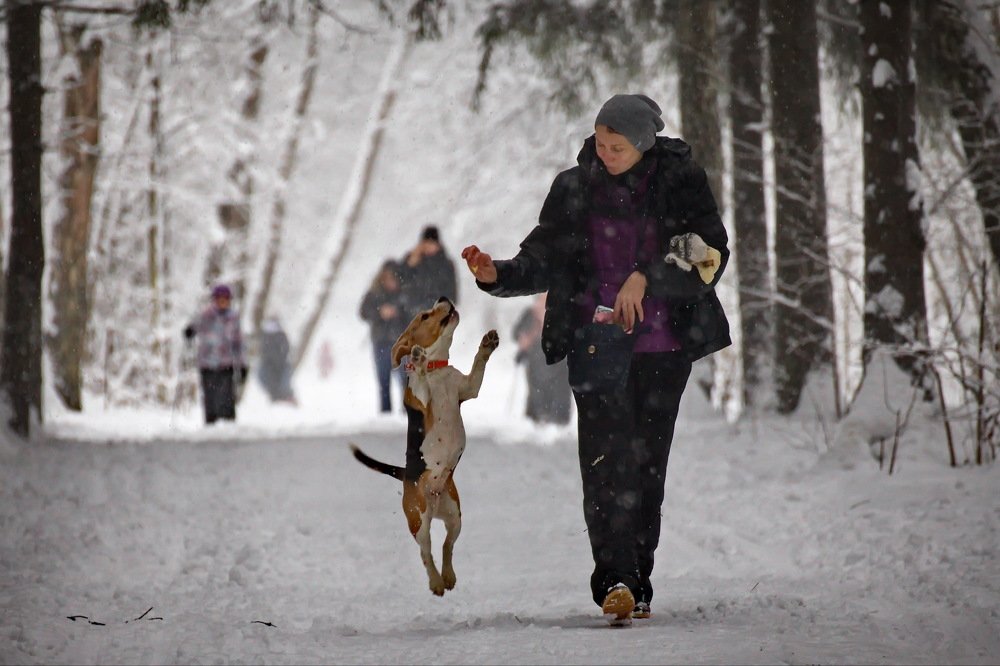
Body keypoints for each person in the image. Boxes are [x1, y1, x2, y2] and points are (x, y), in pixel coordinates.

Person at [460, 93, 731, 624]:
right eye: (601, 142)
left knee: (646, 468)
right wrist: (499, 274)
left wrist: (647, 275)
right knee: (605, 467)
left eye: (617, 146)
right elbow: (546, 254)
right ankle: (615, 582)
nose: (605, 152)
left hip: (662, 348)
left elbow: (709, 253)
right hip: (595, 345)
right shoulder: (574, 186)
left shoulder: (679, 180)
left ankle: (639, 580)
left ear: (644, 144)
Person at [183, 284, 249, 424]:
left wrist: (242, 364)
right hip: (207, 363)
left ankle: (228, 424)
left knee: (227, 396)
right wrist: (190, 331)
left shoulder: (233, 317)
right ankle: (211, 423)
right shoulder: (205, 315)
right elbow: (194, 326)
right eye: (220, 299)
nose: (223, 302)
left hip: (226, 363)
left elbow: (239, 342)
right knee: (210, 396)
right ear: (214, 299)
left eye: (226, 299)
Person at [513, 292, 571, 425]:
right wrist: (525, 337)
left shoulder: (563, 314)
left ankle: (557, 420)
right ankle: (537, 417)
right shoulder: (531, 314)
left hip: (558, 360)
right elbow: (517, 333)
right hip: (536, 359)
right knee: (537, 389)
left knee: (559, 390)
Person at [359, 259, 408, 413]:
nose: (390, 282)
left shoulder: (404, 294)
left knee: (405, 380)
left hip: (401, 343)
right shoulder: (374, 294)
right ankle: (385, 415)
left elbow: (413, 314)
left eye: (393, 278)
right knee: (384, 382)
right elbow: (363, 312)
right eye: (386, 278)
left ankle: (407, 412)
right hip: (381, 342)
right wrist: (380, 312)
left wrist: (398, 313)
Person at [398, 225, 458, 318]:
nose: (428, 247)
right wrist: (410, 264)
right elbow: (399, 280)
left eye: (431, 243)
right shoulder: (413, 260)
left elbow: (451, 294)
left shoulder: (446, 265)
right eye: (426, 244)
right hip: (411, 316)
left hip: (436, 316)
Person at [257, 316, 297, 404]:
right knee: (266, 378)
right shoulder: (265, 336)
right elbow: (263, 351)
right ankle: (277, 396)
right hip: (269, 364)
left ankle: (285, 396)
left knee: (284, 380)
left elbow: (286, 348)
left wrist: (279, 358)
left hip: (280, 363)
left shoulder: (281, 335)